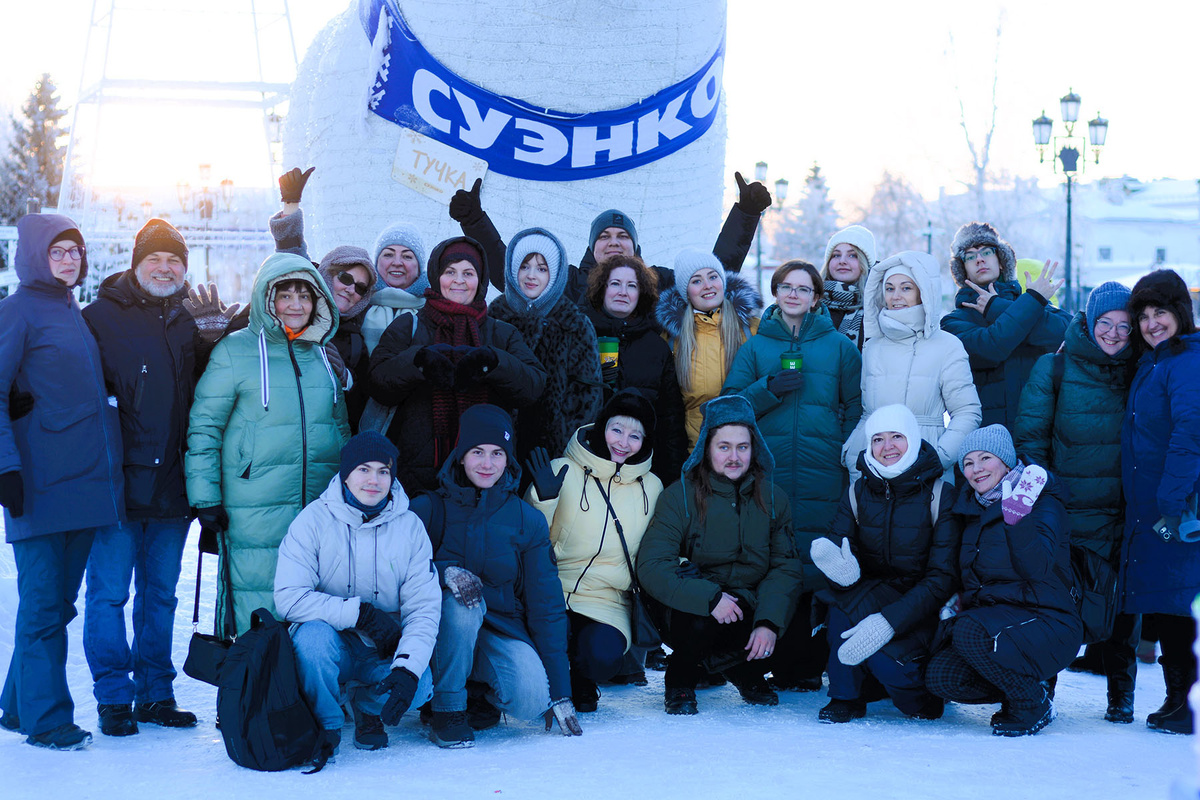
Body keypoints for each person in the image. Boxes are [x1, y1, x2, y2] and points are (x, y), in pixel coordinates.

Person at [80, 219, 209, 738]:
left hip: (173, 488)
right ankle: (113, 697)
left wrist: (215, 336)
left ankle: (156, 693)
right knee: (108, 595)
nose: (165, 267)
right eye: (155, 258)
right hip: (115, 487)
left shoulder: (190, 320)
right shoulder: (97, 318)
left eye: (175, 260)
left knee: (160, 596)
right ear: (137, 263)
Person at [0, 214, 125, 750]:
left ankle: (14, 705)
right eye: (57, 252)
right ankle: (48, 721)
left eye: (75, 250)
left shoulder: (70, 309)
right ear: (33, 256)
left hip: (85, 486)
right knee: (45, 606)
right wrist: (6, 468)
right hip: (40, 485)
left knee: (56, 605)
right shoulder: (17, 310)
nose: (69, 259)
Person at [186, 252, 350, 634]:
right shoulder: (235, 350)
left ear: (318, 301)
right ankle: (252, 682)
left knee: (313, 604)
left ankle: (302, 689)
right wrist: (205, 496)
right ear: (266, 298)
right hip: (251, 506)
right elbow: (204, 427)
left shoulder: (323, 355)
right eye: (285, 294)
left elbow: (341, 429)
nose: (296, 305)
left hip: (317, 504)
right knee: (257, 598)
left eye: (305, 296)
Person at [722, 259, 862, 691]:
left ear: (817, 298)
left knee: (814, 562)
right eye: (787, 287)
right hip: (771, 472)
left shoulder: (840, 347)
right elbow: (729, 406)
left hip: (823, 473)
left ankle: (802, 662)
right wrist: (767, 388)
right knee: (773, 560)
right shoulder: (755, 346)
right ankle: (761, 653)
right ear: (776, 292)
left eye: (804, 289)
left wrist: (842, 447)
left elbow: (856, 407)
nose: (795, 295)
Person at [410, 404, 581, 748]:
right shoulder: (427, 510)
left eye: (497, 453)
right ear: (460, 455)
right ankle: (447, 707)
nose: (487, 464)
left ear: (508, 459)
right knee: (463, 605)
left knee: (532, 699)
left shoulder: (525, 520)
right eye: (477, 452)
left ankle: (477, 691)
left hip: (500, 628)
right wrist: (444, 573)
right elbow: (396, 574)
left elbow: (546, 606)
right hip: (438, 630)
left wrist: (561, 693)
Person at [1014, 281, 1137, 724]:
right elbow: (1031, 438)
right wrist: (1048, 500)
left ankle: (1122, 695)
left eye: (1124, 326)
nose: (1114, 334)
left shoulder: (1141, 367)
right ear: (1087, 322)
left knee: (1124, 603)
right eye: (1104, 323)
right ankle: (1044, 688)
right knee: (1058, 601)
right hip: (1067, 509)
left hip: (1124, 511)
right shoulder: (1055, 368)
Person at [275, 432, 441, 753]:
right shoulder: (313, 520)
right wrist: (360, 613)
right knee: (311, 640)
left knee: (419, 685)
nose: (374, 480)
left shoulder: (409, 527)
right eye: (364, 469)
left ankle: (365, 706)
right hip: (330, 642)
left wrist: (406, 667)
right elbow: (289, 597)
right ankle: (326, 722)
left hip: (381, 648)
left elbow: (424, 608)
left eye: (383, 471)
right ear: (346, 473)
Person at [637, 395, 802, 714]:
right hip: (693, 603)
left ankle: (740, 669)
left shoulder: (773, 498)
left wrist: (767, 621)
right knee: (699, 621)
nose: (734, 456)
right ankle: (681, 679)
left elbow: (785, 567)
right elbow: (653, 565)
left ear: (754, 448)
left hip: (747, 600)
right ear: (706, 448)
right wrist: (710, 598)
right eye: (723, 446)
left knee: (794, 640)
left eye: (742, 446)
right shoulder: (680, 496)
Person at [925, 425, 1082, 736]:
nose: (976, 469)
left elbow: (1036, 569)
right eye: (968, 462)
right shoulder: (972, 509)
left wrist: (1018, 521)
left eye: (986, 458)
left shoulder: (1043, 503)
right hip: (997, 622)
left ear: (1006, 461)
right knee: (940, 675)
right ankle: (1026, 686)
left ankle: (1031, 702)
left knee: (969, 630)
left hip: (1046, 622)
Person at [367, 237, 546, 496]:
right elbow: (377, 382)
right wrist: (418, 362)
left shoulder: (502, 333)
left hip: (487, 477)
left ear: (481, 279)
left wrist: (494, 363)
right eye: (450, 272)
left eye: (468, 273)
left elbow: (533, 385)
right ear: (437, 276)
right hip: (417, 479)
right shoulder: (408, 326)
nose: (459, 280)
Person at [813, 404, 956, 723]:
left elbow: (942, 578)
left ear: (914, 440)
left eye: (896, 437)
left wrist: (889, 621)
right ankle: (845, 696)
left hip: (923, 604)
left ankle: (922, 695)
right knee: (841, 606)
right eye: (877, 439)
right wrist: (843, 576)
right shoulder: (857, 492)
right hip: (873, 592)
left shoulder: (940, 494)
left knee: (886, 663)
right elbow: (840, 550)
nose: (887, 447)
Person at [525, 390, 663, 711]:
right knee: (547, 640)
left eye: (635, 436)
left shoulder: (652, 488)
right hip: (553, 590)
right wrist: (541, 500)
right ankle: (553, 678)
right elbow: (529, 538)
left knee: (602, 657)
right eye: (616, 429)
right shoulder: (563, 470)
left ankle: (583, 679)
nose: (623, 442)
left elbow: (659, 548)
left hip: (607, 601)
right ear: (601, 427)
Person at [448, 173, 772, 303]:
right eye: (604, 236)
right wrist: (474, 221)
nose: (614, 241)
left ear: (636, 247)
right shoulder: (569, 282)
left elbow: (713, 280)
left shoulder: (661, 282)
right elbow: (514, 278)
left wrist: (745, 215)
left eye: (622, 235)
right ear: (591, 247)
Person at [1121, 269, 1200, 735]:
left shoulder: (1185, 362)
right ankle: (1178, 700)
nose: (1151, 323)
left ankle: (1184, 704)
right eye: (1144, 315)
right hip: (1154, 505)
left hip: (1176, 507)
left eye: (1161, 312)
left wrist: (1172, 497)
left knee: (1176, 601)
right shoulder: (1156, 360)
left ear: (1180, 314)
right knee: (1167, 601)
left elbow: (1191, 431)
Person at [843, 250, 980, 482]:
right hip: (874, 468)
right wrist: (853, 454)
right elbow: (868, 413)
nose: (896, 296)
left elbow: (967, 412)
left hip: (924, 467)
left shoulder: (947, 346)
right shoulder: (873, 345)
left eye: (906, 288)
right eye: (889, 288)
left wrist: (937, 457)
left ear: (923, 292)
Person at [267, 168, 377, 432]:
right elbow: (291, 255)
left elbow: (362, 404)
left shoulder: (354, 340)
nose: (352, 290)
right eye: (346, 279)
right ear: (327, 272)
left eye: (361, 288)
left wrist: (346, 378)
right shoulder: (295, 306)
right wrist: (291, 204)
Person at [488, 227, 603, 471]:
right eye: (524, 266)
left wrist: (562, 440)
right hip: (496, 449)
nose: (531, 275)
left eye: (542, 268)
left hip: (555, 455)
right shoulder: (495, 315)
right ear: (511, 269)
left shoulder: (575, 323)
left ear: (556, 275)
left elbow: (587, 396)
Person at [940, 222, 1071, 429]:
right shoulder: (954, 322)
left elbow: (1066, 332)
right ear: (963, 270)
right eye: (970, 256)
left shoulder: (1031, 305)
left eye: (986, 251)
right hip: (984, 443)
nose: (979, 259)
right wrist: (1028, 304)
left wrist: (998, 307)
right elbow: (991, 348)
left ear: (1001, 261)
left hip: (1037, 436)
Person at [582, 254, 688, 484]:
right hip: (585, 465)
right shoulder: (580, 335)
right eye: (615, 284)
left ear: (641, 294)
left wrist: (669, 477)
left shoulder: (656, 347)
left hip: (640, 472)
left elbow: (671, 419)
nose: (623, 291)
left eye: (632, 285)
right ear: (602, 289)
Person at [656, 248, 761, 449]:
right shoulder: (671, 338)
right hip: (695, 449)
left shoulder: (753, 328)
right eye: (696, 281)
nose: (708, 286)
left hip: (746, 447)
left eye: (713, 276)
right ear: (685, 291)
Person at [820, 225, 877, 348]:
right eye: (836, 255)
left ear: (865, 263)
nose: (842, 261)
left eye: (852, 255)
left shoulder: (878, 307)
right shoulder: (811, 305)